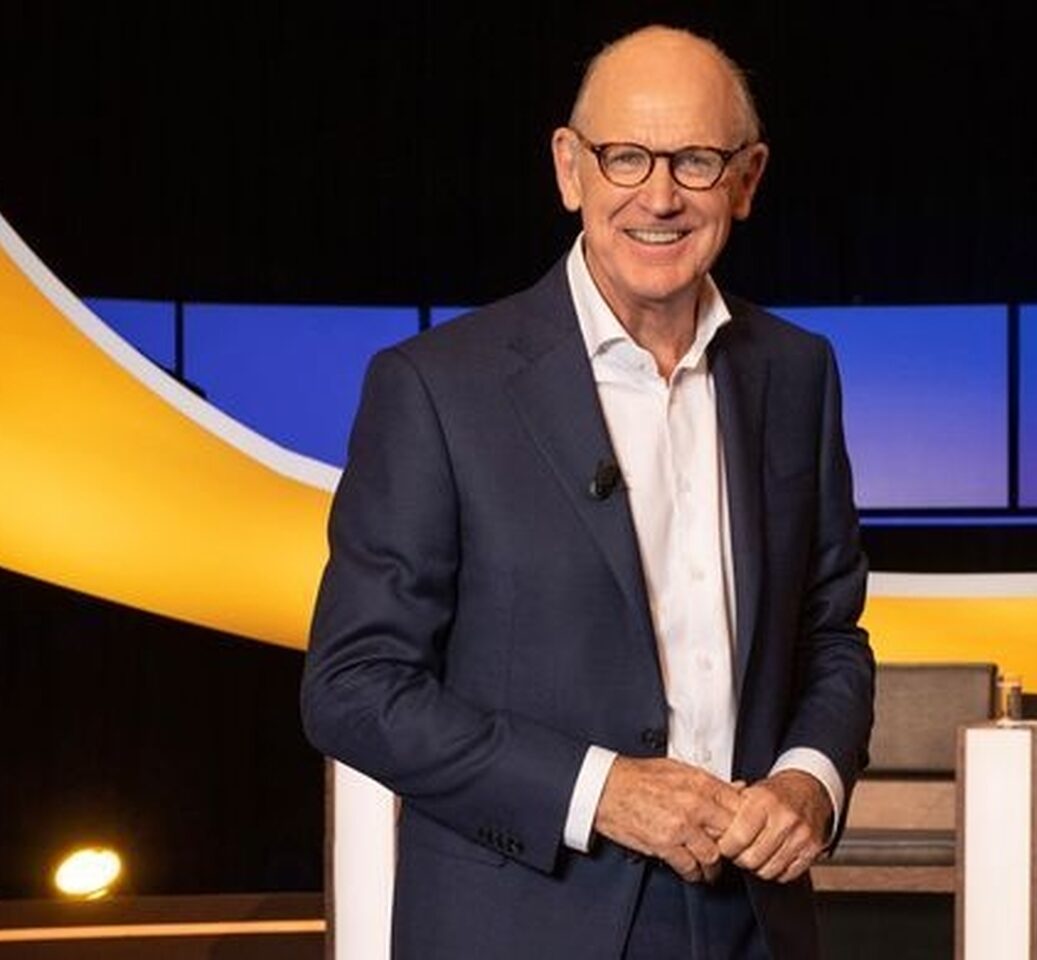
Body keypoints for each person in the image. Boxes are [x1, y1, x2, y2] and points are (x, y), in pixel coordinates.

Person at [302, 24, 874, 959]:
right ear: (570, 169)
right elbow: (353, 688)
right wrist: (602, 790)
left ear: (747, 179)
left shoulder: (798, 372)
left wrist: (810, 779)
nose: (660, 195)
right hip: (523, 925)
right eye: (625, 157)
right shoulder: (435, 388)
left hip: (754, 925)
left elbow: (830, 635)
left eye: (696, 160)